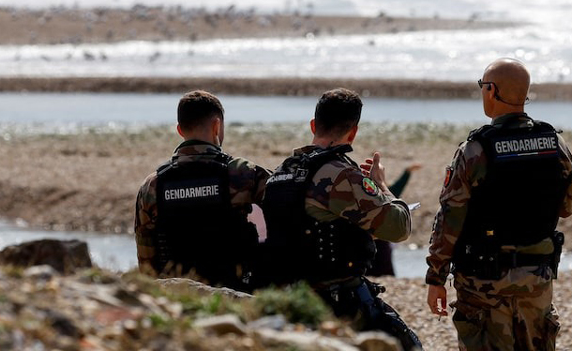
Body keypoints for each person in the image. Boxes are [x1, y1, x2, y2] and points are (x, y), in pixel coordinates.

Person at [425, 59, 572, 351]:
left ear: (492, 91)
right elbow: (568, 206)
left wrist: (436, 277)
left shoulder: (475, 150)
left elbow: (450, 218)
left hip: (483, 283)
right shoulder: (554, 144)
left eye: (483, 86)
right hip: (535, 279)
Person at [259, 88, 423, 350]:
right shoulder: (340, 174)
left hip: (289, 298)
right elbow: (399, 227)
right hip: (338, 300)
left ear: (314, 125)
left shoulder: (281, 174)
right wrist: (381, 184)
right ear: (353, 132)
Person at [134, 90, 270, 292]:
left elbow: (146, 259)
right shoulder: (242, 173)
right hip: (233, 294)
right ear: (217, 126)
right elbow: (285, 199)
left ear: (180, 130)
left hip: (177, 297)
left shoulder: (152, 186)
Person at [367, 162, 422, 277]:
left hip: (379, 238)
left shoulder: (378, 194)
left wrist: (407, 172)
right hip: (375, 239)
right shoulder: (366, 195)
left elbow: (396, 189)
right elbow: (396, 190)